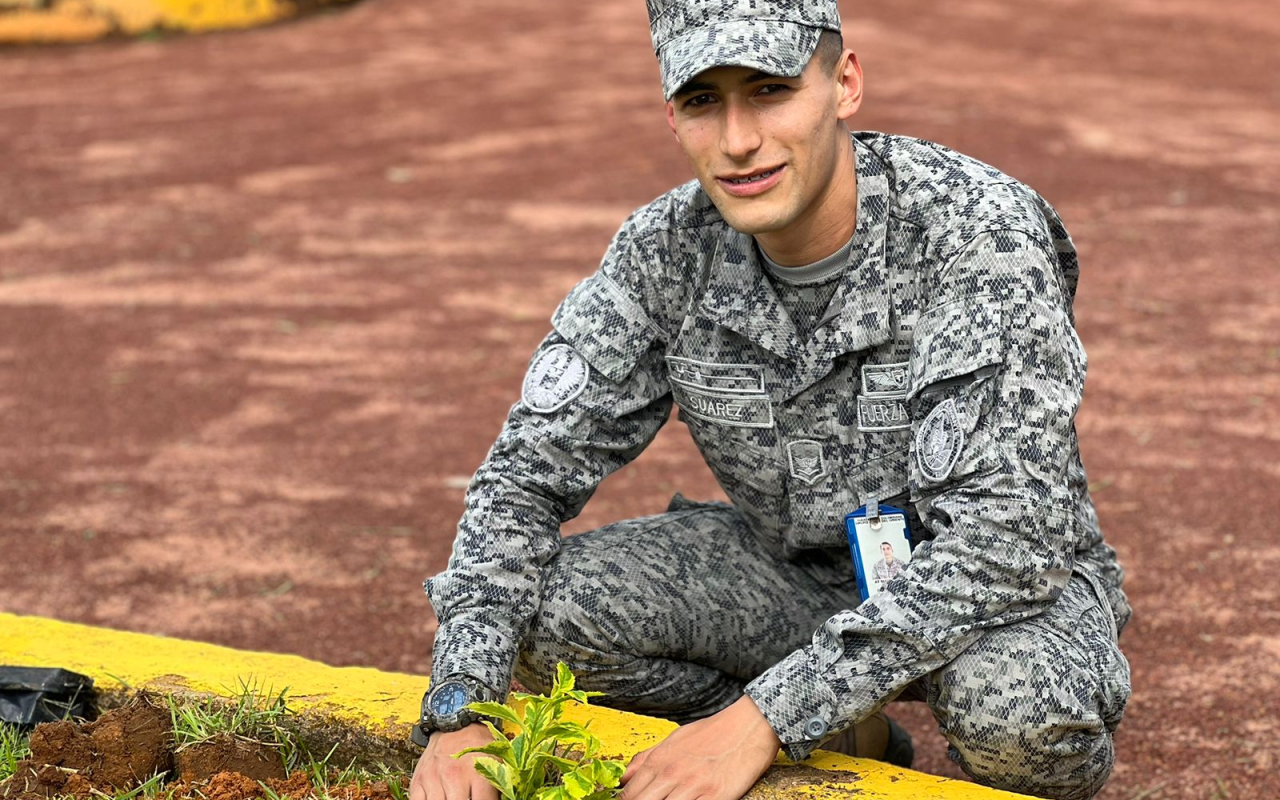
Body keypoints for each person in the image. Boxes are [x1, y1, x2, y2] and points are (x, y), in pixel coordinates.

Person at [409, 1, 1133, 799]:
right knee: (547, 619)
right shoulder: (665, 253)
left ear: (845, 84)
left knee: (1017, 715)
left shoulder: (974, 232)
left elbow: (1010, 541)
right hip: (791, 576)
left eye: (768, 91)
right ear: (672, 117)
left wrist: (769, 716)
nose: (738, 141)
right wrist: (461, 703)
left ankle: (786, 727)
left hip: (992, 586)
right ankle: (851, 734)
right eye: (702, 102)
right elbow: (523, 476)